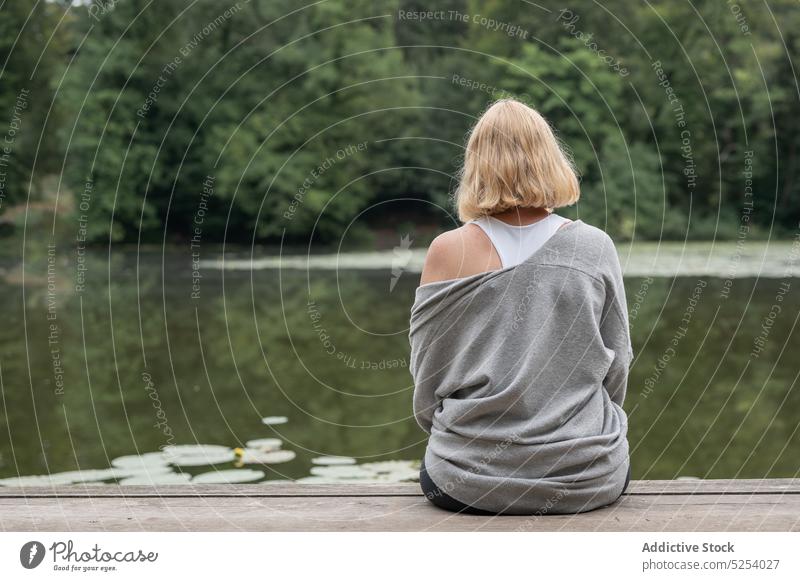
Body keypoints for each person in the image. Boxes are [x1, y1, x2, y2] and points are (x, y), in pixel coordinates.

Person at [409, 99, 632, 515]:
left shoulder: (447, 250)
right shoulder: (594, 246)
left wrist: (451, 433)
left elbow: (427, 377)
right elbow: (617, 366)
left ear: (476, 165)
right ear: (550, 159)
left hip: (466, 479)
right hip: (586, 476)